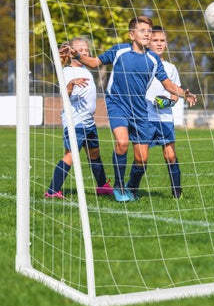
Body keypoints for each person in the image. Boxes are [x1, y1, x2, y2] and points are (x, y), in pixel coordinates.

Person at [60, 16, 197, 203]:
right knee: (122, 143)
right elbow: (93, 63)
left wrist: (184, 93)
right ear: (132, 34)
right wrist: (76, 55)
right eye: (143, 30)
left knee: (142, 159)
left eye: (149, 31)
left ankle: (132, 188)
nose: (147, 34)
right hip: (118, 104)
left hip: (140, 110)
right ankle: (119, 186)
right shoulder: (119, 51)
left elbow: (167, 84)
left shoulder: (153, 59)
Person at [45, 37, 113, 198]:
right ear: (70, 52)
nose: (84, 52)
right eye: (80, 49)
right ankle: (52, 191)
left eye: (86, 50)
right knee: (71, 155)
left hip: (88, 122)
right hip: (75, 122)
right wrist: (71, 84)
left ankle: (102, 186)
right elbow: (65, 94)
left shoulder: (86, 70)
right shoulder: (67, 72)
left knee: (94, 154)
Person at [146, 26, 184, 198]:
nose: (159, 44)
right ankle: (131, 189)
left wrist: (165, 103)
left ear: (166, 44)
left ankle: (177, 191)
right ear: (148, 42)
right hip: (144, 118)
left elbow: (176, 95)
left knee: (170, 155)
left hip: (165, 118)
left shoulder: (171, 68)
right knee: (141, 157)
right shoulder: (142, 63)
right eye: (155, 40)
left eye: (162, 41)